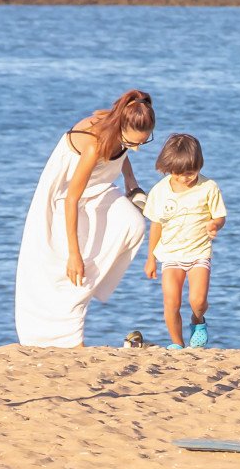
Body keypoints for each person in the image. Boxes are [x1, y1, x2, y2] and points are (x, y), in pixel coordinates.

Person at [14, 90, 154, 347]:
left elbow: (120, 152)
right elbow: (70, 199)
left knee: (133, 225)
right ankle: (65, 337)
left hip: (97, 186)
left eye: (142, 143)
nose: (135, 149)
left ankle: (93, 285)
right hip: (64, 196)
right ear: (121, 127)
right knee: (68, 268)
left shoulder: (120, 132)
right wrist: (74, 254)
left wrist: (131, 182)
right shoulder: (94, 144)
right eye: (132, 142)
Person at [143, 134, 227, 349]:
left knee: (197, 301)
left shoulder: (209, 187)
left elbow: (220, 216)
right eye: (178, 174)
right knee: (171, 303)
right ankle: (177, 344)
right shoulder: (159, 192)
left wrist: (214, 225)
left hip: (199, 252)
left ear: (199, 165)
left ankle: (198, 321)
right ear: (167, 168)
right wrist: (150, 258)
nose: (185, 179)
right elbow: (156, 225)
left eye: (190, 173)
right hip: (170, 255)